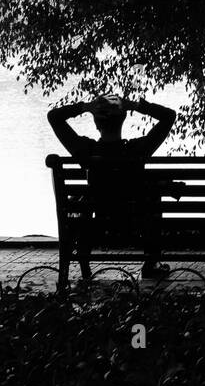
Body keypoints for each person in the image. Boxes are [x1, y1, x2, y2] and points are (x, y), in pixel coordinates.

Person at [48, 94, 179, 281]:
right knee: (152, 198)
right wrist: (135, 105)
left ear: (96, 125)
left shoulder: (86, 151)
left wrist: (86, 106)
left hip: (97, 227)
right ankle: (151, 263)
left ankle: (85, 267)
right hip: (136, 226)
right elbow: (169, 116)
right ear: (123, 120)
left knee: (81, 202)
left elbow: (54, 117)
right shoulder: (138, 150)